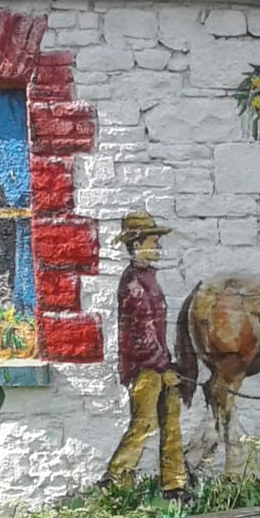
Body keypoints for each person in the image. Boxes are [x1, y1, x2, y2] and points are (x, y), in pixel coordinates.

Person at [106, 210, 186, 494]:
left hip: (158, 364)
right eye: (153, 241)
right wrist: (164, 368)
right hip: (145, 370)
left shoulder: (147, 278)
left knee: (171, 422)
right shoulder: (134, 285)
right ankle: (115, 476)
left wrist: (167, 364)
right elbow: (142, 337)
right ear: (137, 246)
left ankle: (174, 483)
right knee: (145, 424)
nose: (158, 247)